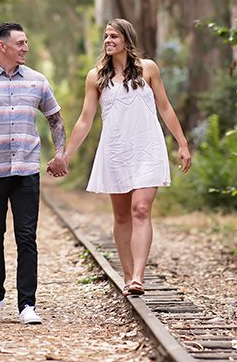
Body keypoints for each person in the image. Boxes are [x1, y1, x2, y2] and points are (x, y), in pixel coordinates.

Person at [47, 18, 191, 296]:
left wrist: (182, 143)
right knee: (122, 215)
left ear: (127, 39)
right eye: (105, 36)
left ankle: (138, 275)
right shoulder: (96, 77)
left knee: (140, 209)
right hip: (115, 151)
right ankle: (128, 276)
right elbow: (85, 120)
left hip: (147, 148)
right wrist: (64, 155)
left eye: (114, 36)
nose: (108, 40)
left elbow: (165, 108)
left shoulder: (148, 69)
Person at [0, 22, 66, 325]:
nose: (26, 48)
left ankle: (27, 304)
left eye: (26, 42)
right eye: (20, 43)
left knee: (26, 237)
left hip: (26, 170)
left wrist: (60, 153)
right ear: (2, 46)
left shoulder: (37, 80)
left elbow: (55, 119)